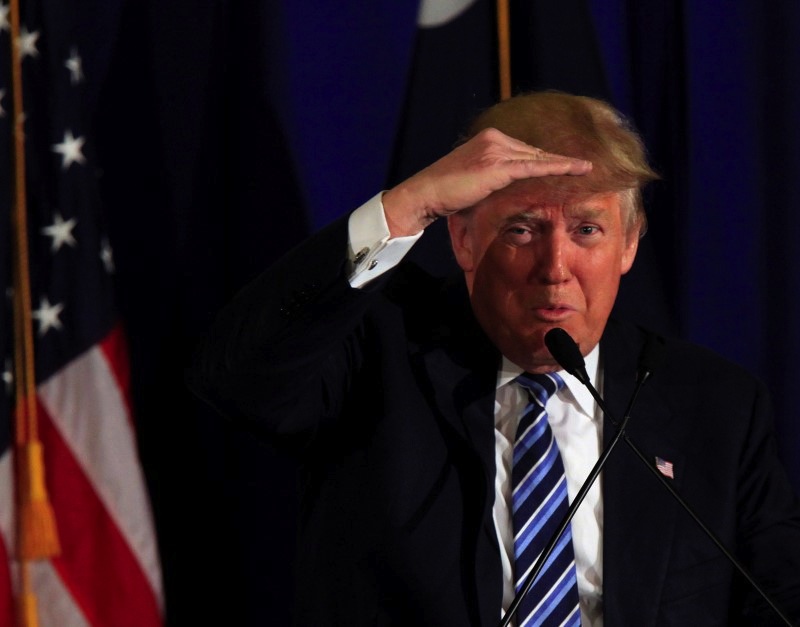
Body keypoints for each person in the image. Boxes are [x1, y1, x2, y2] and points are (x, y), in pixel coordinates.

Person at [187, 91, 800, 626]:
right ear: (463, 239)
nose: (555, 269)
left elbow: (775, 596)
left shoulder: (713, 405)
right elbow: (236, 376)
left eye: (587, 230)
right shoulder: (374, 355)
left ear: (629, 246)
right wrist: (412, 203)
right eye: (522, 230)